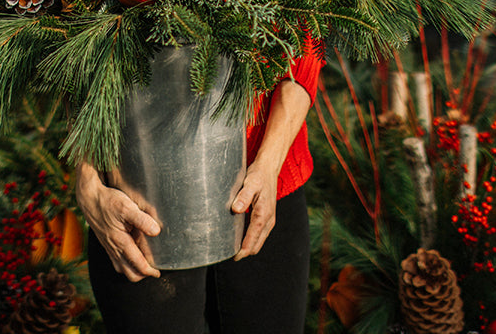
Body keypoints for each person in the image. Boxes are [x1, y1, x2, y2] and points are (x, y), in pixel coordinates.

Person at [75, 41, 325, 334]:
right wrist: (87, 176)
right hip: (136, 197)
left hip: (264, 188)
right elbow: (72, 39)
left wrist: (270, 163)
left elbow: (306, 39)